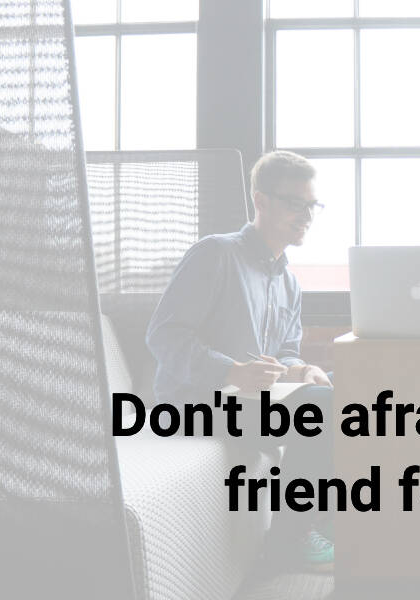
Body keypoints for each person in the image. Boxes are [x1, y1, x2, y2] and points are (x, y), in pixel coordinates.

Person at [146, 150, 335, 571]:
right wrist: (232, 371)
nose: (306, 215)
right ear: (261, 200)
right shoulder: (215, 254)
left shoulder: (288, 281)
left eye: (312, 205)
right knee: (322, 408)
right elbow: (163, 335)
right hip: (192, 406)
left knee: (343, 391)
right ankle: (290, 541)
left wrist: (300, 369)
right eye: (294, 204)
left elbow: (284, 351)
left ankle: (328, 525)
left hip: (250, 404)